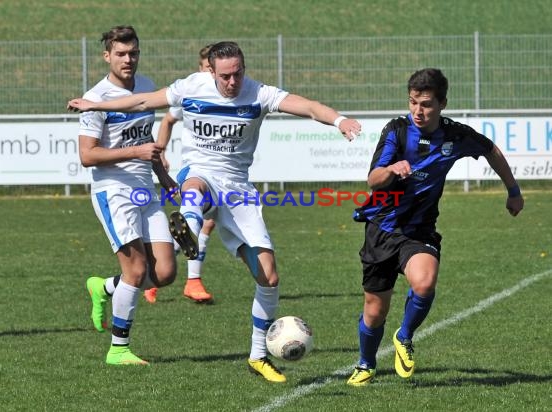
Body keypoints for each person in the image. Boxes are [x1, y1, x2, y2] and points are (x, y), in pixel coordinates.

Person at [68, 40, 362, 383]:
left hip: (238, 190)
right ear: (212, 71)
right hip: (199, 173)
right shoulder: (193, 87)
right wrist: (95, 104)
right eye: (225, 76)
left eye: (237, 74)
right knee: (194, 188)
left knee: (269, 277)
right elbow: (144, 100)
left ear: (244, 69)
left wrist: (339, 120)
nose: (232, 82)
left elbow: (308, 106)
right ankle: (188, 229)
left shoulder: (257, 94)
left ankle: (258, 356)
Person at [346, 68, 524, 386]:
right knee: (375, 310)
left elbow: (491, 151)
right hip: (382, 229)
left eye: (426, 104)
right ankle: (366, 363)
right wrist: (390, 169)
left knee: (425, 284)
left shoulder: (455, 135)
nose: (418, 110)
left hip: (419, 232)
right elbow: (372, 180)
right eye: (413, 102)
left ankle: (404, 336)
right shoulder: (397, 131)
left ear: (442, 103)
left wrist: (513, 191)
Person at [78, 26, 187, 366]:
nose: (128, 59)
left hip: (146, 189)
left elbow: (146, 141)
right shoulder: (96, 98)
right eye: (121, 54)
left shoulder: (145, 86)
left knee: (166, 272)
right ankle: (118, 350)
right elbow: (87, 156)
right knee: (137, 269)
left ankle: (106, 287)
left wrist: (164, 176)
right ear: (107, 56)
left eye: (133, 53)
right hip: (113, 191)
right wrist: (135, 152)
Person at [144, 44, 216, 305]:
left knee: (206, 222)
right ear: (201, 69)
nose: (212, 73)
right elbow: (167, 120)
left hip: (220, 171)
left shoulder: (229, 92)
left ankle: (172, 279)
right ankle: (172, 279)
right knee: (200, 219)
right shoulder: (193, 92)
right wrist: (160, 151)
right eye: (208, 68)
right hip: (196, 169)